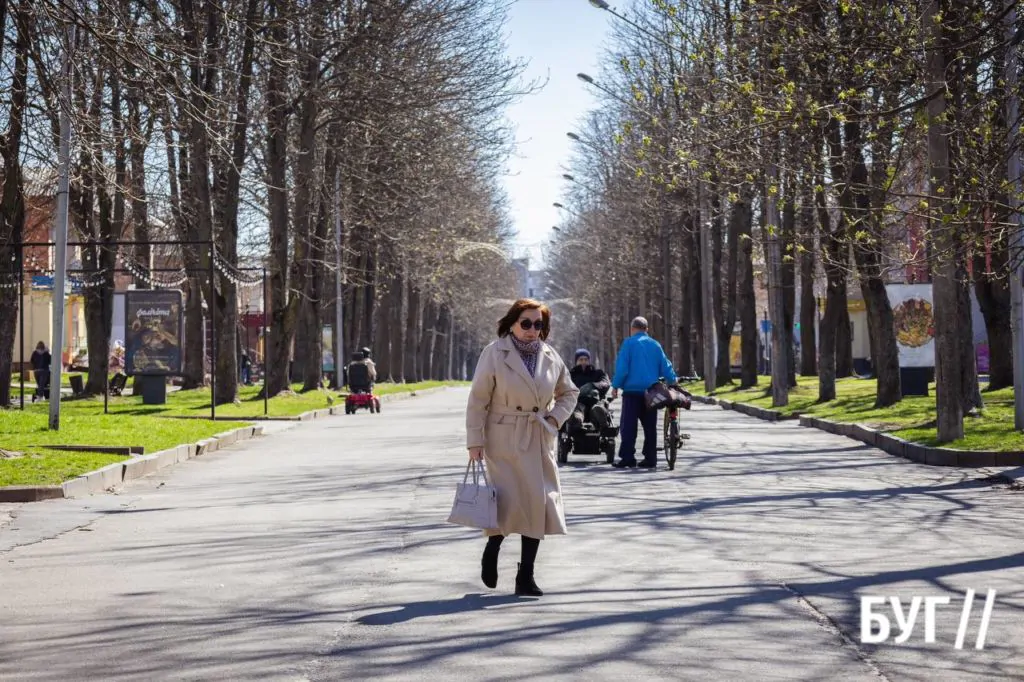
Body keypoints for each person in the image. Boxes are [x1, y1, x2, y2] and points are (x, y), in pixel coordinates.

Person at [466, 298, 579, 597]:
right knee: (505, 502)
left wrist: (554, 418)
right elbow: (478, 399)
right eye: (526, 323)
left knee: (538, 505)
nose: (531, 330)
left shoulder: (551, 356)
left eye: (538, 324)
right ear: (513, 323)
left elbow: (569, 391)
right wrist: (474, 441)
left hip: (538, 437)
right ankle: (493, 548)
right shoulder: (494, 352)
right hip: (502, 437)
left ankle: (525, 576)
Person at [610, 316, 676, 469]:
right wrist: (672, 380)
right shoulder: (655, 345)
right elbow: (665, 366)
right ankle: (650, 458)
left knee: (628, 427)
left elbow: (622, 369)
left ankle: (628, 458)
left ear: (632, 329)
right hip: (651, 393)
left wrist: (615, 386)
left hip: (632, 392)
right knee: (650, 427)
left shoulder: (628, 344)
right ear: (647, 329)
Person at [566, 348, 611, 433]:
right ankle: (576, 419)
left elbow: (606, 383)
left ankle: (599, 417)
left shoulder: (598, 373)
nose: (583, 362)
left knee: (597, 408)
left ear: (589, 361)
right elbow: (564, 386)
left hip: (595, 401)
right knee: (577, 410)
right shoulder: (570, 375)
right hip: (578, 402)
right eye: (581, 359)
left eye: (586, 359)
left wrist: (593, 385)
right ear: (576, 361)